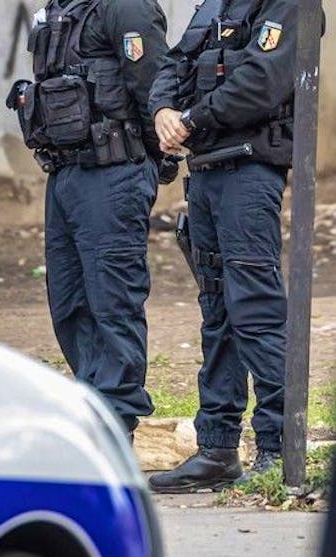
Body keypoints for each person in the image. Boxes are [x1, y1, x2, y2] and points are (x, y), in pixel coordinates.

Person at [147, 0, 309, 492]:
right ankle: (217, 449)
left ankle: (280, 448)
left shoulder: (290, 5)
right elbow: (174, 64)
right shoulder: (216, 5)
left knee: (255, 309)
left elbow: (262, 82)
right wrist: (163, 111)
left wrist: (190, 120)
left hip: (250, 171)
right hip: (207, 171)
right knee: (216, 311)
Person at [6, 0, 171, 435]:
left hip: (113, 171)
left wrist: (151, 159)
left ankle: (116, 418)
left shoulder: (125, 6)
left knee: (112, 298)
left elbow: (155, 88)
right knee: (69, 300)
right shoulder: (62, 8)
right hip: (65, 173)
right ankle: (92, 405)